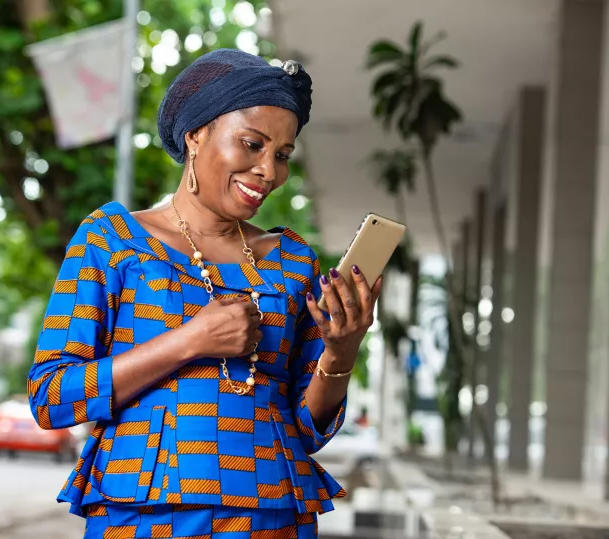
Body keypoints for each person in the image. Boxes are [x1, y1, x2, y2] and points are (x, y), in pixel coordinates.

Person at [27, 48, 382, 539]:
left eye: (281, 155)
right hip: (144, 514)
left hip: (270, 514)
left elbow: (306, 427)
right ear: (196, 136)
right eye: (251, 144)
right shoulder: (111, 241)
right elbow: (51, 398)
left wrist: (342, 350)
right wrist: (189, 341)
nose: (269, 171)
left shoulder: (292, 262)